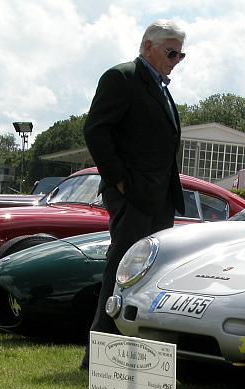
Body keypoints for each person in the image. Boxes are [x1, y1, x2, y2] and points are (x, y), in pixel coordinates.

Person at [80, 20, 187, 368]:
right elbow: (96, 131)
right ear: (147, 47)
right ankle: (99, 356)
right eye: (171, 52)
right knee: (121, 269)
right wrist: (120, 182)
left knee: (152, 275)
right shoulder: (122, 77)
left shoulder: (161, 88)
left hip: (160, 197)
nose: (176, 60)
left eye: (180, 54)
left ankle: (140, 352)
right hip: (133, 195)